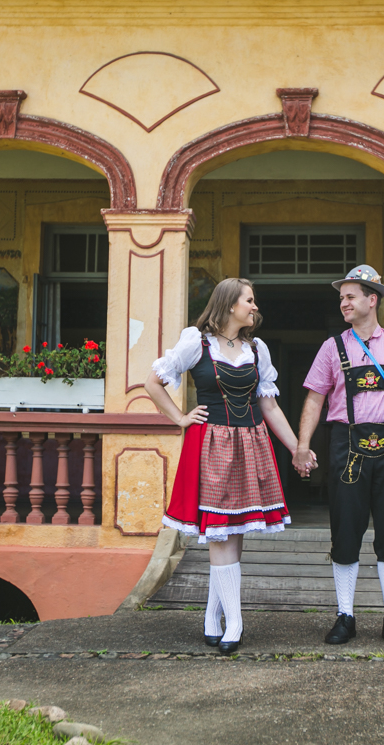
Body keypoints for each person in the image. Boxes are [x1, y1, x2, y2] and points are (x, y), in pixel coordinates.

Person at [147, 277, 314, 654]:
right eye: (249, 301)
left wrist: (296, 448)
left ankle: (212, 619)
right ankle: (235, 621)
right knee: (220, 533)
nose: (254, 307)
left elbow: (269, 406)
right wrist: (179, 418)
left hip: (249, 442)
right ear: (229, 305)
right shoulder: (197, 342)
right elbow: (153, 383)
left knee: (232, 532)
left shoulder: (257, 349)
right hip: (212, 444)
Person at [293, 265, 384, 648]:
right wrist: (303, 445)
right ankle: (346, 615)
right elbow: (315, 399)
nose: (343, 303)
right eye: (341, 298)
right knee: (345, 530)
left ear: (373, 299)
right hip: (344, 444)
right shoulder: (331, 348)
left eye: (350, 296)